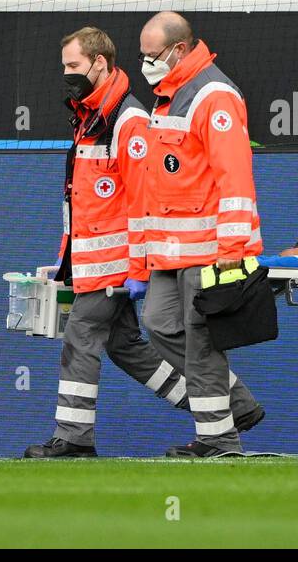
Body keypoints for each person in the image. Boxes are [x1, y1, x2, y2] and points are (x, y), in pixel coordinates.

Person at [23, 25, 192, 458]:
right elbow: (79, 204)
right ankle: (219, 408)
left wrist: (138, 269)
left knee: (80, 338)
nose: (67, 75)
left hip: (116, 267)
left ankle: (75, 439)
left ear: (100, 63)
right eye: (64, 67)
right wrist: (65, 262)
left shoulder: (127, 120)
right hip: (97, 264)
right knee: (126, 348)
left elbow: (142, 201)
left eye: (73, 66)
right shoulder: (90, 118)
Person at [135, 10, 265, 457]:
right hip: (170, 250)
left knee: (201, 342)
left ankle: (219, 441)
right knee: (158, 324)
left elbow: (235, 179)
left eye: (152, 55)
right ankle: (239, 405)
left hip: (210, 248)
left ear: (179, 50)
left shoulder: (214, 95)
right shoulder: (167, 94)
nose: (145, 63)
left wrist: (232, 246)